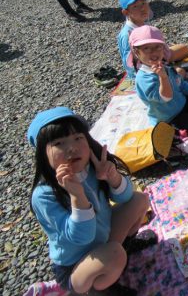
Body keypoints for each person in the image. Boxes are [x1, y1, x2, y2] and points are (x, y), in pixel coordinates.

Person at [27, 107, 156, 295]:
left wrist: (112, 177)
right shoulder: (44, 195)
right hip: (76, 266)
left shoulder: (90, 169)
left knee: (139, 200)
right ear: (43, 155)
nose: (71, 148)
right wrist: (77, 196)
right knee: (115, 254)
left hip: (102, 239)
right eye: (59, 143)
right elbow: (82, 237)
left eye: (78, 138)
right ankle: (99, 289)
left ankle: (123, 249)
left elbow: (126, 197)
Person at [129, 25, 188, 132]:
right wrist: (163, 77)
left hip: (181, 102)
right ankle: (173, 130)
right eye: (146, 48)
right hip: (169, 116)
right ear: (137, 52)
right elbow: (165, 98)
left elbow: (181, 84)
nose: (154, 52)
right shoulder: (144, 78)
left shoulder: (165, 66)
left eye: (157, 47)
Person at [117, 0, 188, 80]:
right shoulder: (127, 34)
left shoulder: (142, 22)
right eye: (135, 6)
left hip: (158, 57)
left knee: (186, 48)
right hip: (147, 69)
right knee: (180, 72)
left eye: (143, 3)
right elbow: (130, 65)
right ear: (126, 12)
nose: (142, 8)